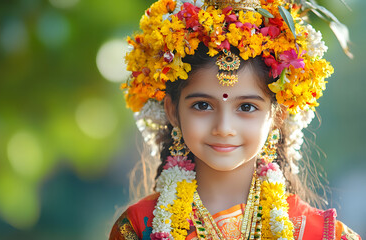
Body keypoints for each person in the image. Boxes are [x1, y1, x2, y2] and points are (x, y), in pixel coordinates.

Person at [110, 0, 361, 239]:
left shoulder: (322, 234)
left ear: (278, 115)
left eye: (247, 107)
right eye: (203, 105)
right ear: (173, 111)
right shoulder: (137, 227)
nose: (224, 128)